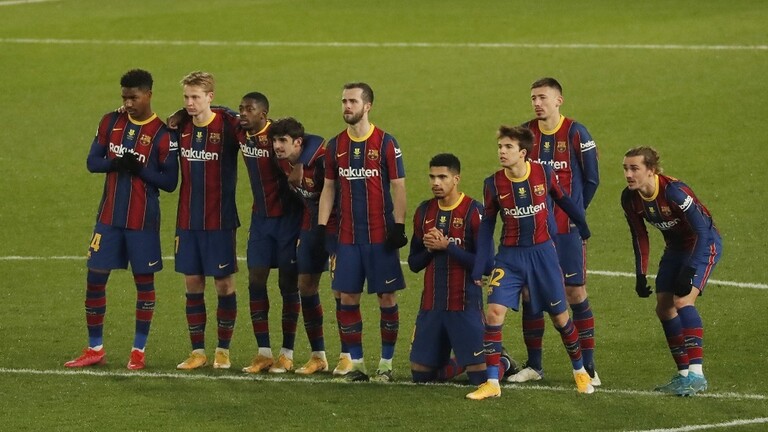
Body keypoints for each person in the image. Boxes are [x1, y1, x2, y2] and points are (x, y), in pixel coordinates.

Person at [466, 125, 594, 400]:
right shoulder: (493, 184)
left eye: (508, 147)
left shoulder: (543, 173)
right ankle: (492, 383)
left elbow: (563, 199)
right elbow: (487, 225)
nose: (502, 151)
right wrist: (480, 265)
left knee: (560, 318)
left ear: (522, 152)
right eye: (500, 147)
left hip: (543, 255)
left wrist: (582, 225)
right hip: (510, 257)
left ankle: (580, 371)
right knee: (494, 313)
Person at [65, 69, 179, 371]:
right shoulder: (110, 121)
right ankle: (95, 348)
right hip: (108, 218)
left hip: (143, 221)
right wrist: (116, 163)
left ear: (148, 95)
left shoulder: (164, 134)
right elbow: (93, 162)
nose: (128, 103)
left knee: (144, 283)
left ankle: (138, 351)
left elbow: (170, 182)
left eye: (134, 97)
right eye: (124, 97)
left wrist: (140, 169)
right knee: (95, 277)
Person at [509, 77, 601, 386]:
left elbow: (592, 179)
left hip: (566, 230)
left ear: (559, 100)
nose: (537, 103)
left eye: (543, 97)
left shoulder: (576, 132)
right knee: (530, 294)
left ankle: (589, 367)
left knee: (575, 292)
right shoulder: (525, 134)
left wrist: (576, 213)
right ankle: (534, 366)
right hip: (534, 231)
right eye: (533, 98)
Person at [316, 82, 408, 382]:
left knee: (387, 298)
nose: (347, 106)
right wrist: (322, 226)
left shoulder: (386, 143)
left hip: (380, 237)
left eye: (353, 101)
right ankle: (356, 365)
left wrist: (399, 225)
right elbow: (329, 188)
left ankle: (385, 364)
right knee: (347, 298)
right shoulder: (335, 145)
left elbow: (399, 186)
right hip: (347, 238)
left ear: (367, 106)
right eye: (344, 101)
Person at [621, 146, 721, 396]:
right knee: (664, 308)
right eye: (625, 168)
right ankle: (684, 374)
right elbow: (639, 236)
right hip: (676, 247)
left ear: (651, 170)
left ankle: (697, 375)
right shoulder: (630, 198)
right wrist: (640, 273)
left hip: (703, 244)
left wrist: (690, 269)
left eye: (634, 168)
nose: (629, 174)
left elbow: (702, 230)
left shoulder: (674, 192)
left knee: (683, 300)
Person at [408, 153, 515, 385]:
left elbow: (487, 265)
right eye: (432, 177)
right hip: (432, 306)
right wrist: (430, 249)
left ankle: (503, 361)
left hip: (464, 305)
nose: (436, 182)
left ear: (456, 179)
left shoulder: (474, 212)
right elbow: (414, 264)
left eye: (442, 177)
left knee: (480, 378)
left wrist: (448, 247)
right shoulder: (424, 212)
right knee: (421, 376)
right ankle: (464, 361)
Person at [173, 71, 242, 370]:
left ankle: (222, 350)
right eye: (186, 97)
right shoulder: (180, 127)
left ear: (210, 97)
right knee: (192, 284)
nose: (189, 103)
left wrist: (226, 110)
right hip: (187, 220)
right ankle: (198, 351)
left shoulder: (227, 126)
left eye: (195, 97)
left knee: (224, 285)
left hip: (220, 220)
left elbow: (253, 125)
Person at [270, 117, 335, 375]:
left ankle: (350, 357)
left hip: (336, 226)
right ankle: (318, 356)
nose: (277, 146)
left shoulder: (321, 161)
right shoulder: (281, 160)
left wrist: (302, 163)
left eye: (283, 141)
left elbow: (318, 140)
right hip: (310, 226)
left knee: (344, 292)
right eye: (275, 141)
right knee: (306, 286)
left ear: (298, 142)